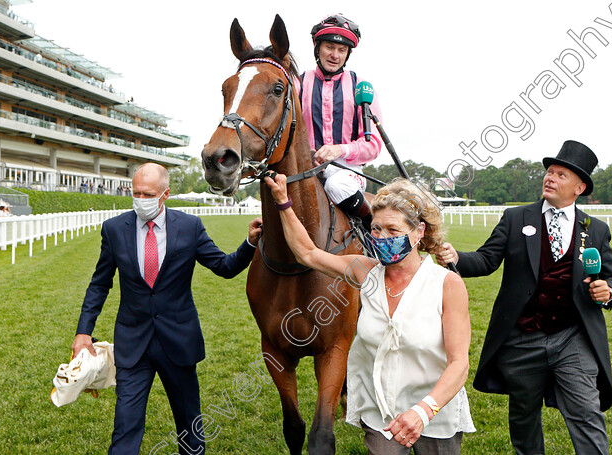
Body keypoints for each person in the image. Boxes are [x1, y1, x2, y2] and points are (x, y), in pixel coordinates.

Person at [437, 140, 612, 455]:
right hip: (522, 337)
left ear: (579, 187)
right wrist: (456, 257)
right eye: (550, 171)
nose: (550, 178)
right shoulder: (516, 218)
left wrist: (608, 291)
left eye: (561, 174)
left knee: (586, 411)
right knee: (523, 417)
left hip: (573, 336)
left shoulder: (595, 229)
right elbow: (486, 260)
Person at [264, 174, 475, 454]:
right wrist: (283, 202)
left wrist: (423, 412)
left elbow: (459, 363)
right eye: (376, 229)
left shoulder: (447, 284)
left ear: (419, 231)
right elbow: (308, 254)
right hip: (381, 414)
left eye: (392, 229)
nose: (382, 237)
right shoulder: (366, 272)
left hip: (436, 413)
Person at [72, 163, 263, 454]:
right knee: (125, 426)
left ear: (165, 195)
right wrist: (83, 332)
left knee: (189, 424)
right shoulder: (113, 229)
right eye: (135, 192)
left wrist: (249, 243)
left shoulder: (190, 227)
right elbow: (99, 284)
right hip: (133, 344)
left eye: (147, 194)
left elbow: (224, 267)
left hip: (179, 342)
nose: (140, 199)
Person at [299, 14, 383, 230]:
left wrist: (339, 150)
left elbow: (373, 145)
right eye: (329, 47)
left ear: (348, 54)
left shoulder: (360, 86)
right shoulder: (299, 83)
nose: (335, 55)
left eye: (342, 50)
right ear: (317, 47)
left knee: (337, 186)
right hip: (305, 169)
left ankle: (371, 230)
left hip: (346, 173)